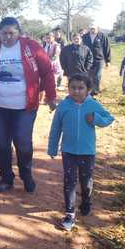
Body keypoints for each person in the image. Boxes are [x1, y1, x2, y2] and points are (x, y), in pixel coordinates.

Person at [0, 17, 57, 194]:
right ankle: (6, 178)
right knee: (2, 144)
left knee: (23, 142)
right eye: (4, 33)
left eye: (11, 33)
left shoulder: (31, 47)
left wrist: (51, 96)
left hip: (25, 107)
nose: (7, 37)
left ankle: (26, 174)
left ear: (19, 32)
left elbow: (47, 72)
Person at [47, 74, 114, 231]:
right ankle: (70, 213)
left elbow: (109, 118)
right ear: (68, 88)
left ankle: (86, 201)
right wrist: (52, 148)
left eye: (80, 88)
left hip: (87, 152)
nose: (76, 91)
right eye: (73, 87)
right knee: (69, 181)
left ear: (88, 89)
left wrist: (96, 119)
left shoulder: (93, 105)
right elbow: (55, 128)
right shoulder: (63, 106)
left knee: (86, 181)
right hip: (68, 151)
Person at [82, 24, 111, 95]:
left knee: (97, 75)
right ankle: (89, 89)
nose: (92, 30)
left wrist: (108, 60)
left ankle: (96, 90)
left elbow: (107, 48)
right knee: (89, 75)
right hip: (88, 59)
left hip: (99, 59)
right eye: (91, 29)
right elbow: (81, 47)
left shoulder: (102, 36)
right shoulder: (85, 36)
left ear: (97, 29)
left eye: (94, 29)